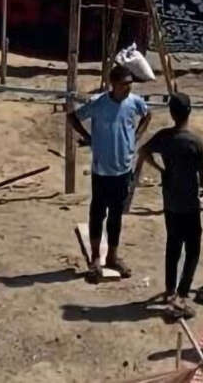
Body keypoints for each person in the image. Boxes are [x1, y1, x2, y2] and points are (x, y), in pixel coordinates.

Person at [132, 93, 203, 315]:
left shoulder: (164, 137)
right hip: (190, 204)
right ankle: (181, 295)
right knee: (192, 251)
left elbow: (143, 151)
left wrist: (161, 169)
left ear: (171, 113)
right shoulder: (195, 143)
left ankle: (170, 290)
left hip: (170, 202)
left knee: (173, 247)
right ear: (189, 112)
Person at [68, 65, 151, 281]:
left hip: (123, 170)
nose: (128, 88)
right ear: (112, 84)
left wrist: (136, 136)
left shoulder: (134, 102)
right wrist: (88, 138)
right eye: (124, 84)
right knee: (97, 214)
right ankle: (96, 258)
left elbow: (147, 115)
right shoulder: (99, 104)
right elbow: (73, 117)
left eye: (130, 84)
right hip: (101, 170)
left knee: (116, 216)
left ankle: (113, 256)